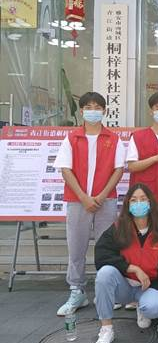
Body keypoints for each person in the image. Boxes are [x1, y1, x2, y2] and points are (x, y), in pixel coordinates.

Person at [53, 92, 125, 316]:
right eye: (88, 107)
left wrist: (101, 196)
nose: (93, 111)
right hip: (77, 201)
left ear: (104, 111)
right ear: (82, 111)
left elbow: (118, 170)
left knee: (107, 248)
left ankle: (107, 291)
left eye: (97, 107)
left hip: (107, 200)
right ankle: (77, 291)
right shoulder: (72, 138)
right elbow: (66, 169)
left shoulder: (113, 139)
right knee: (76, 247)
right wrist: (84, 197)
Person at [92, 183, 158, 343]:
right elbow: (101, 254)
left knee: (153, 308)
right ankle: (106, 330)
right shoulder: (118, 228)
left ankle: (142, 307)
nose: (139, 203)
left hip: (148, 286)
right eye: (134, 200)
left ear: (150, 203)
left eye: (143, 199)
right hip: (124, 286)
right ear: (128, 204)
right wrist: (132, 268)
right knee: (105, 273)